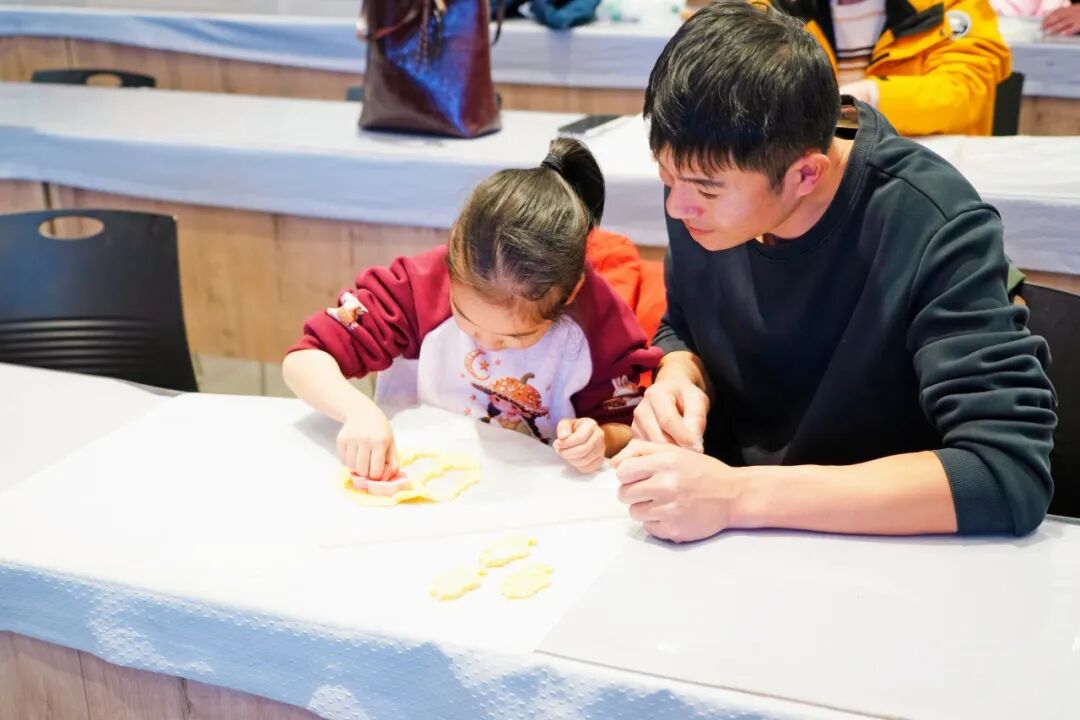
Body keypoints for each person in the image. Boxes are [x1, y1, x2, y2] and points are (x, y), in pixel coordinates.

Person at [612, 1, 1056, 542]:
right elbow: (684, 322)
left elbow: (1005, 472)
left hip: (877, 550)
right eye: (666, 177)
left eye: (705, 189)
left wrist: (737, 497)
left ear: (806, 174)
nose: (678, 207)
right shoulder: (702, 181)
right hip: (726, 537)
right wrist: (681, 376)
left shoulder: (929, 222)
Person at [283, 138, 661, 485]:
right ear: (452, 261)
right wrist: (358, 412)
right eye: (466, 320)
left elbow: (626, 425)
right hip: (414, 475)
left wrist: (598, 439)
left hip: (530, 492)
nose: (488, 345)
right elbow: (306, 358)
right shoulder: (419, 287)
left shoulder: (599, 324)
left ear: (571, 292)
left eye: (514, 337)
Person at [773, 0, 1011, 136]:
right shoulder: (769, 8)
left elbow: (965, 92)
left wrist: (870, 97)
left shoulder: (952, 5)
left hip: (926, 185)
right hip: (801, 186)